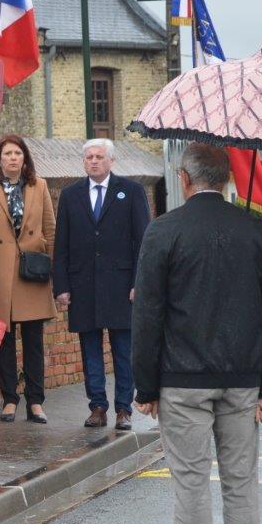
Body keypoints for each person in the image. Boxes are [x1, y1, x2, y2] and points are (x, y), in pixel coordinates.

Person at [132, 144, 262, 524]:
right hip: (242, 379)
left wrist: (145, 388)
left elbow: (148, 315)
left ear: (184, 180)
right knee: (242, 486)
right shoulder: (260, 235)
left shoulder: (163, 232)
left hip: (182, 381)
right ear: (226, 180)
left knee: (192, 488)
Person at [52, 140, 151, 430]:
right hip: (83, 284)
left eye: (99, 157)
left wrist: (138, 283)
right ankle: (97, 406)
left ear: (111, 161)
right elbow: (62, 245)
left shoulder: (131, 192)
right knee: (90, 349)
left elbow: (142, 242)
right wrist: (62, 286)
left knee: (123, 349)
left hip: (121, 285)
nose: (93, 161)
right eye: (89, 157)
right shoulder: (71, 196)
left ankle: (124, 409)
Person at [0, 135, 55, 423]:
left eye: (17, 153)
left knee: (33, 340)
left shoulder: (38, 185)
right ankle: (9, 398)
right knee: (2, 339)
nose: (13, 158)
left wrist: (51, 269)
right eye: (7, 153)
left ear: (25, 158)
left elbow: (50, 230)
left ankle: (36, 401)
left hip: (31, 273)